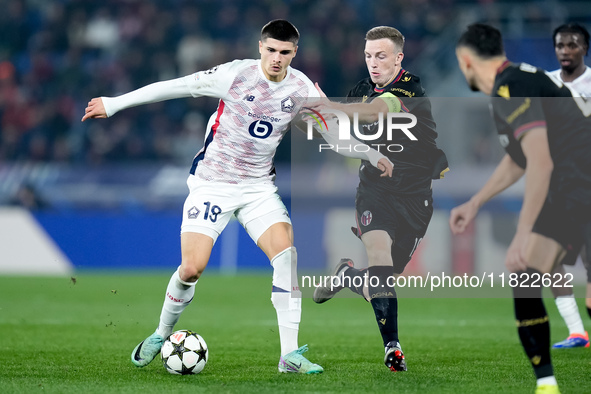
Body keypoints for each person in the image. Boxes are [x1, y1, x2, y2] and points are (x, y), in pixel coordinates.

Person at [82, 20, 393, 374]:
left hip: (258, 188)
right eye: (271, 50)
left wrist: (370, 154)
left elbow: (333, 134)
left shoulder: (301, 88)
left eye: (285, 52)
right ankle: (160, 333)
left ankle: (288, 356)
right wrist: (114, 103)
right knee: (191, 269)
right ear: (261, 47)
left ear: (295, 53)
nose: (277, 58)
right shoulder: (235, 74)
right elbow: (177, 86)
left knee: (286, 255)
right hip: (212, 182)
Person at [451, 23, 591, 394]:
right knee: (528, 276)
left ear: (466, 61)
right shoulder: (519, 81)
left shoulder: (509, 89)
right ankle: (546, 385)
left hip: (578, 186)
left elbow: (541, 163)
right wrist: (476, 201)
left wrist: (524, 232)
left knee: (526, 271)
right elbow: (520, 159)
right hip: (577, 186)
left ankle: (546, 384)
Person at [309, 26, 448, 372]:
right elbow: (339, 129)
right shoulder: (360, 90)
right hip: (375, 190)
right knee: (381, 260)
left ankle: (348, 275)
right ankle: (393, 348)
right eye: (369, 56)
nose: (373, 63)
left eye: (381, 56)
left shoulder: (409, 89)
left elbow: (375, 112)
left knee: (381, 280)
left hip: (416, 198)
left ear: (399, 58)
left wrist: (330, 106)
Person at [546, 22, 591, 349]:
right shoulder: (545, 84)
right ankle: (577, 332)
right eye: (561, 45)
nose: (566, 50)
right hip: (558, 184)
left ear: (584, 49)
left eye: (572, 45)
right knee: (547, 259)